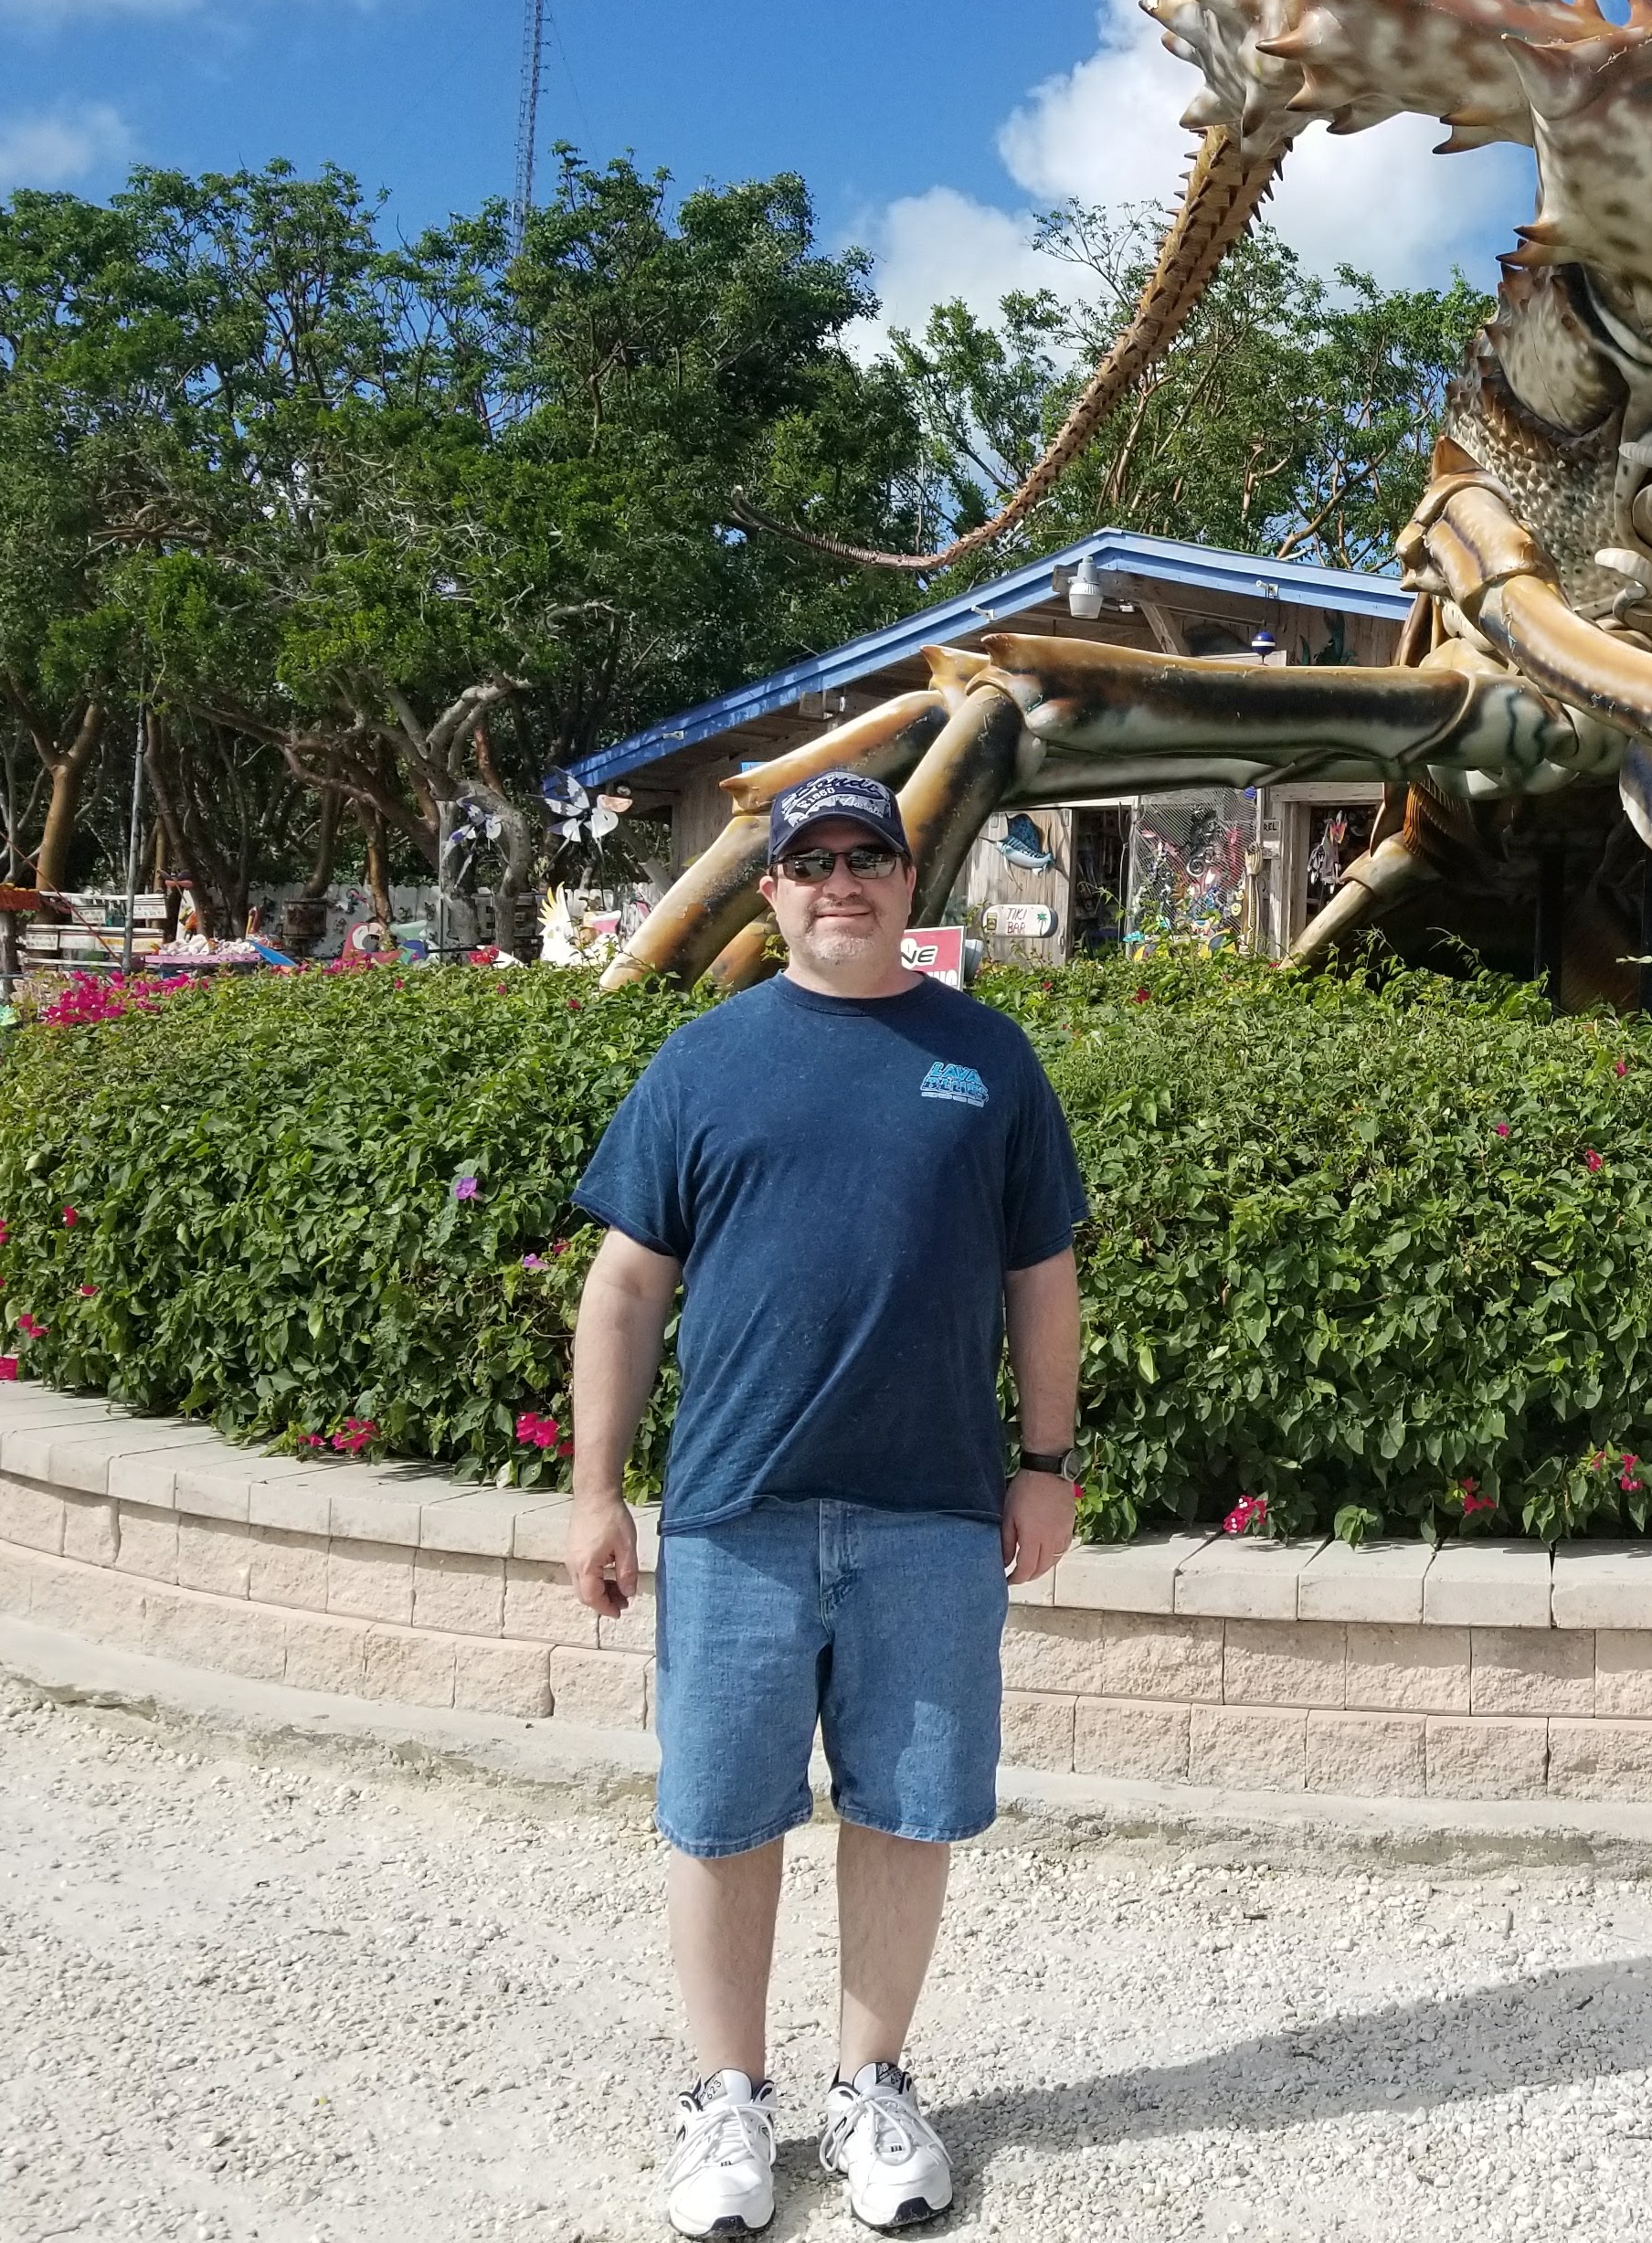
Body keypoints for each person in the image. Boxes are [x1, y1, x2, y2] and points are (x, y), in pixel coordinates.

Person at [564, 769, 1086, 2237]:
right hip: (739, 1513)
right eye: (814, 860)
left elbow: (1043, 1276)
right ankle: (727, 2100)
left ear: (910, 882)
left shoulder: (988, 1059)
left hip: (933, 1513)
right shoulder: (704, 1061)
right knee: (722, 1814)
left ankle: (872, 2088)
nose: (841, 880)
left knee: (905, 1808)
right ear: (774, 888)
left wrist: (1046, 1465)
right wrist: (596, 1492)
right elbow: (626, 1288)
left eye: (870, 856)